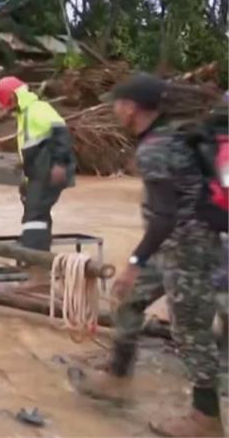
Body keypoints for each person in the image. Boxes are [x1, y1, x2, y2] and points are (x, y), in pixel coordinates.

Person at [72, 74, 222, 437]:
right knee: (128, 302)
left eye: (118, 103)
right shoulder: (170, 135)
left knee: (190, 330)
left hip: (189, 247)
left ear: (132, 107)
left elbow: (164, 218)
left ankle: (207, 418)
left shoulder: (155, 148)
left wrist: (134, 264)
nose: (114, 109)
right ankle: (118, 376)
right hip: (172, 244)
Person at [0, 76, 75, 252]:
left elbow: (61, 132)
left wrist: (59, 164)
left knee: (35, 213)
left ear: (14, 97)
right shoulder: (25, 115)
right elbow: (30, 148)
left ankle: (34, 260)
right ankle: (40, 253)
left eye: (9, 103)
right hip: (40, 169)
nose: (8, 109)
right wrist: (25, 177)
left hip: (51, 168)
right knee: (35, 208)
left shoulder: (37, 109)